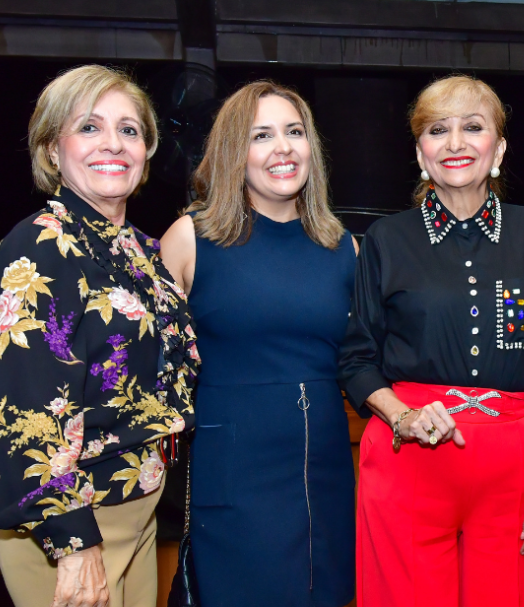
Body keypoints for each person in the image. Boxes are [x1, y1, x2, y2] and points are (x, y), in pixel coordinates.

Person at [337, 74, 524, 607]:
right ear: (420, 152)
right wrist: (402, 415)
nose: (454, 143)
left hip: (519, 470)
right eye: (437, 130)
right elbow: (357, 359)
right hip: (409, 460)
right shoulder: (386, 239)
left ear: (497, 147)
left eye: (472, 127)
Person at [0, 64, 198, 607]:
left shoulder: (140, 251)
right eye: (89, 127)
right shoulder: (37, 248)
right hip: (69, 521)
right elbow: (27, 416)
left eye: (129, 130)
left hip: (138, 504)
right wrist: (74, 542)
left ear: (147, 150)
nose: (113, 144)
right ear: (53, 149)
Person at [159, 81, 357, 606]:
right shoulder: (190, 238)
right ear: (233, 152)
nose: (283, 148)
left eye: (294, 132)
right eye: (261, 135)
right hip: (235, 474)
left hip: (326, 469)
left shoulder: (344, 248)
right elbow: (149, 365)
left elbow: (365, 359)